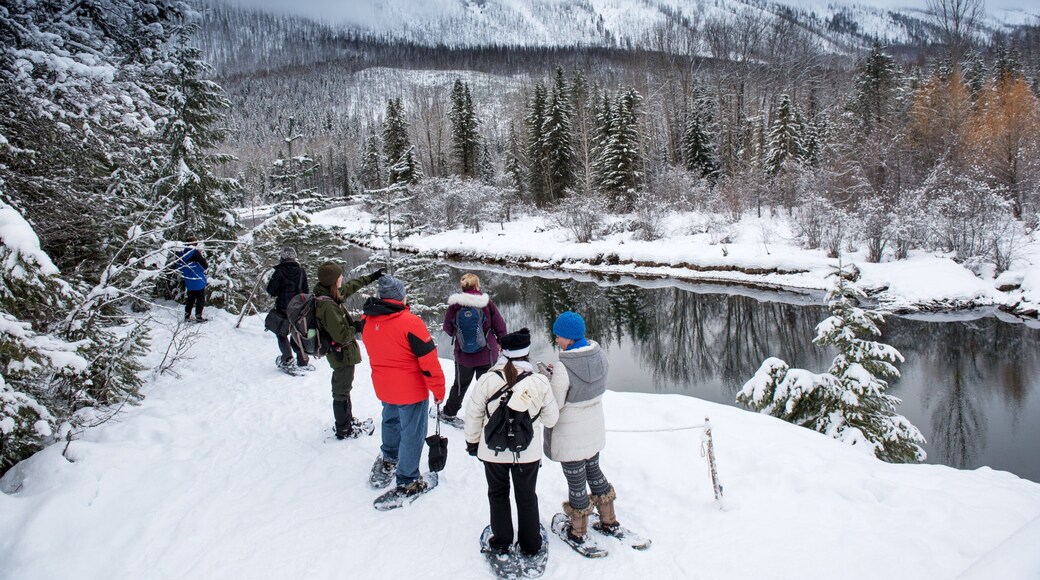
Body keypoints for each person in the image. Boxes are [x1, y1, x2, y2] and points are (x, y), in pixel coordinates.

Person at [464, 328, 559, 570]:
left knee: (497, 494)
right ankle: (530, 544)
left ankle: (502, 541)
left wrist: (472, 442)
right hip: (526, 452)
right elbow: (551, 419)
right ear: (527, 353)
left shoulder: (488, 379)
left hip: (492, 451)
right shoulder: (538, 381)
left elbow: (473, 415)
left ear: (504, 353)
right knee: (527, 496)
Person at [361, 275, 446, 499]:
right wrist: (438, 390)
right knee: (412, 434)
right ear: (400, 296)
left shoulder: (368, 320)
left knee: (390, 419)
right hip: (410, 391)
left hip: (384, 386)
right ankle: (408, 480)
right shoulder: (410, 323)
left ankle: (389, 458)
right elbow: (429, 362)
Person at [544, 311, 623, 544]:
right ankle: (609, 519)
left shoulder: (563, 367)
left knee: (576, 480)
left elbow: (556, 404)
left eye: (558, 336)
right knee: (594, 471)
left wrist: (549, 380)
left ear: (568, 338)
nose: (556, 340)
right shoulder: (599, 356)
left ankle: (577, 532)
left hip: (571, 434)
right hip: (593, 428)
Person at [314, 261, 382, 439]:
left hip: (342, 352)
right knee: (341, 389)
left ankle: (347, 421)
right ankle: (344, 428)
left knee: (343, 387)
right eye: (339, 277)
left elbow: (351, 287)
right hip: (340, 353)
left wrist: (372, 277)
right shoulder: (327, 306)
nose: (342, 279)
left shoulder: (329, 293)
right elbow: (342, 335)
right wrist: (358, 326)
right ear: (332, 281)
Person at [441, 273, 507, 426]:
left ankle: (449, 414)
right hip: (487, 354)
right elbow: (500, 326)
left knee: (459, 386)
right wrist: (501, 342)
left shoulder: (455, 305)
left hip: (463, 356)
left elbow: (447, 328)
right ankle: (490, 416)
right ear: (477, 286)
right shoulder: (486, 303)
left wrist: (459, 334)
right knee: (487, 386)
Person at [265, 247, 313, 374]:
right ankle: (303, 360)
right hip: (299, 308)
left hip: (283, 307)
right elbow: (306, 292)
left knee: (281, 334)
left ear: (282, 257)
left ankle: (287, 359)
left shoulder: (279, 272)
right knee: (297, 333)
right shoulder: (301, 271)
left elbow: (271, 291)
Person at [175, 238, 208, 322]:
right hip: (198, 279)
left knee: (190, 299)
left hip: (189, 281)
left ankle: (187, 316)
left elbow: (178, 267)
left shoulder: (181, 254)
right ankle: (198, 316)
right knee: (200, 299)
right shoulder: (196, 253)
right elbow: (204, 266)